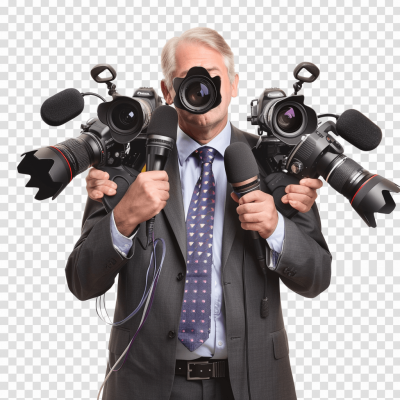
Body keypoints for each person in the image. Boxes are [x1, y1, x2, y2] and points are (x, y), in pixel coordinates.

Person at [66, 27, 332, 400]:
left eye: (213, 78)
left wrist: (276, 229)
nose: (202, 90)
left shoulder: (276, 162)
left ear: (234, 85)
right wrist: (123, 218)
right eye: (189, 79)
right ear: (167, 91)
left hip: (255, 382)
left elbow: (316, 277)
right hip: (144, 383)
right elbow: (82, 281)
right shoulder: (125, 164)